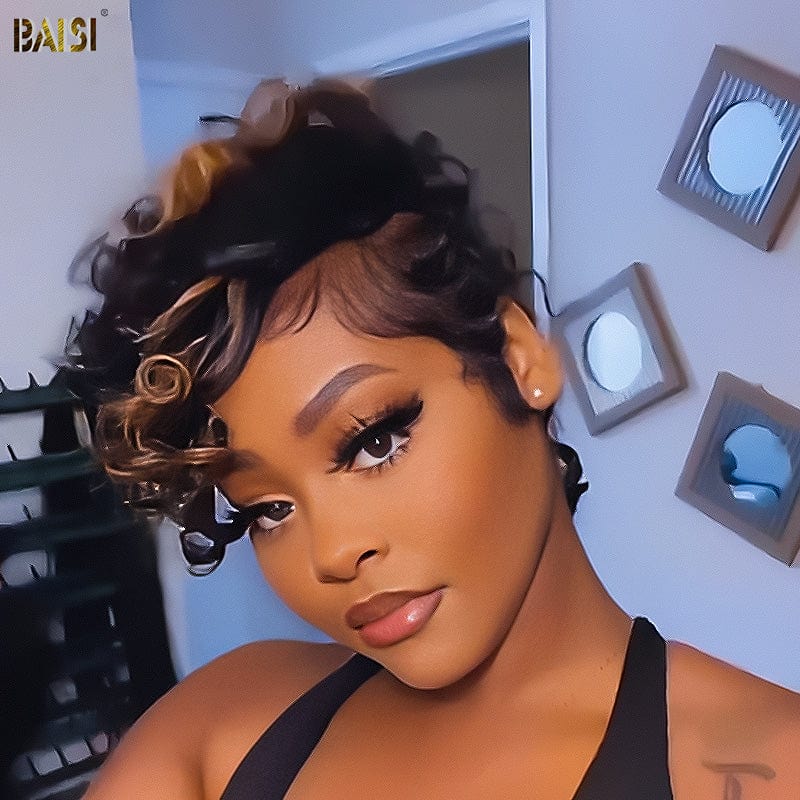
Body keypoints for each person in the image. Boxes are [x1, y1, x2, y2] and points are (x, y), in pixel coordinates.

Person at [75, 79, 800, 799]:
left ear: (520, 358)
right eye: (268, 510)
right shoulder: (222, 726)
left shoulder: (768, 765)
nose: (332, 554)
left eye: (374, 441)